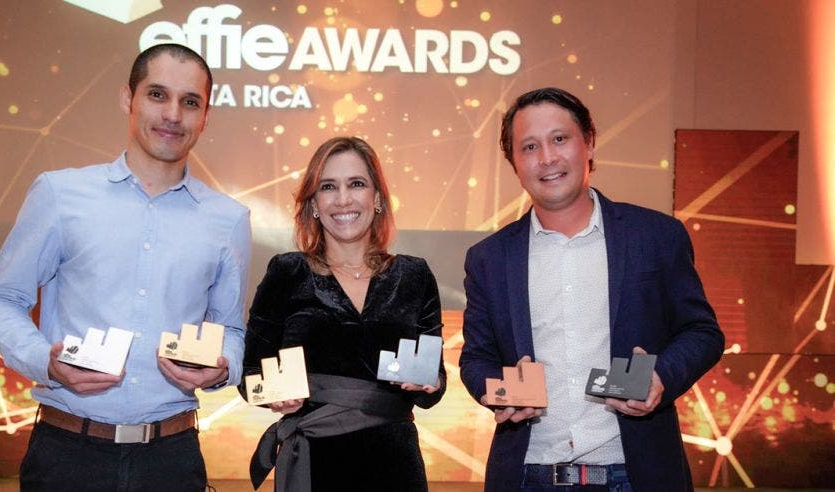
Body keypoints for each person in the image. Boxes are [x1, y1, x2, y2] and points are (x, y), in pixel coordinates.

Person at [0, 43, 251, 491]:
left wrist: (223, 369)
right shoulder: (60, 194)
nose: (172, 115)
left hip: (173, 458)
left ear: (206, 115)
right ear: (129, 98)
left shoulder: (228, 219)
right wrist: (43, 362)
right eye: (157, 95)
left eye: (190, 102)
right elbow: (1, 299)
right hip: (67, 453)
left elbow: (231, 330)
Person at [458, 87, 724, 491]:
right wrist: (498, 392)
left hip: (634, 472)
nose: (547, 158)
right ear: (514, 163)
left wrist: (661, 377)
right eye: (529, 146)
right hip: (530, 474)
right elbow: (476, 358)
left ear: (590, 144)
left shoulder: (655, 236)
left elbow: (702, 332)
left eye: (559, 139)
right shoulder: (489, 258)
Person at [241, 136, 445, 491]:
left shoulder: (414, 275)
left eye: (357, 184)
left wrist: (431, 382)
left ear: (377, 198)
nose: (343, 199)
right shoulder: (287, 272)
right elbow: (250, 374)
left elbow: (433, 384)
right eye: (328, 187)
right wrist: (272, 393)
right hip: (315, 462)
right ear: (314, 204)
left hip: (395, 465)